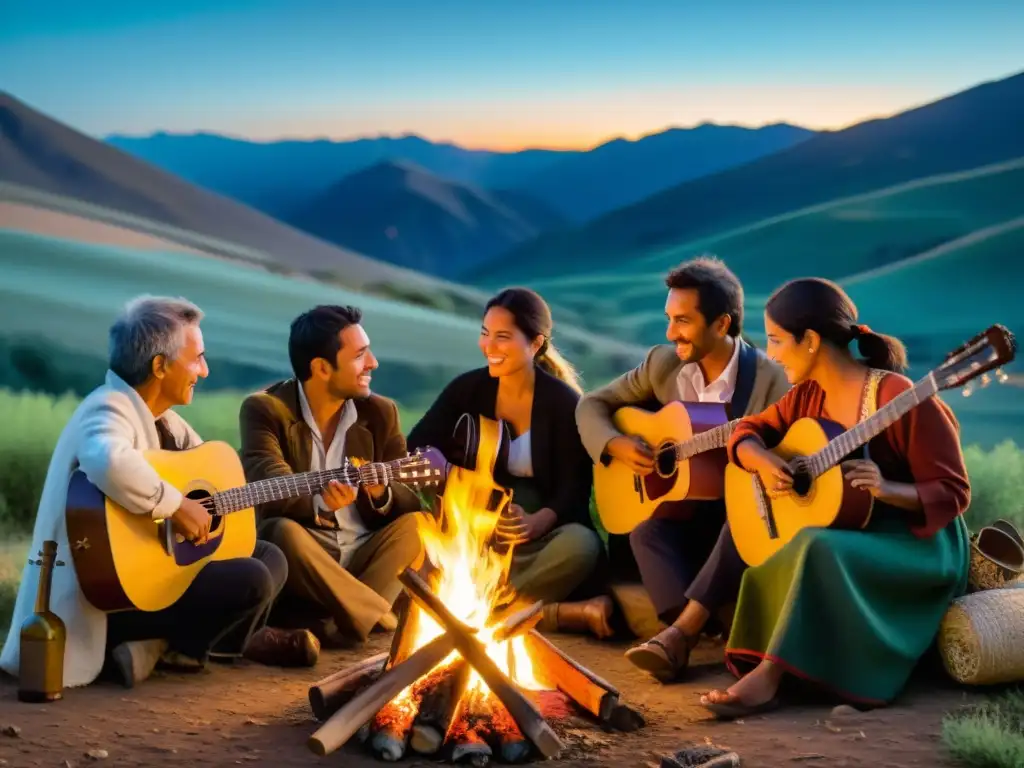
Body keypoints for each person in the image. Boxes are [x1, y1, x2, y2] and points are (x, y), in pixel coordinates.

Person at [0, 296, 317, 691]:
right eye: (197, 358)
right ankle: (173, 647)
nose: (205, 370)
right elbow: (108, 460)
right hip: (106, 596)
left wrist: (284, 489)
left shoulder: (163, 421)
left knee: (269, 556)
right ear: (160, 366)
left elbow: (214, 476)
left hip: (145, 583)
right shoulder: (108, 408)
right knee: (250, 577)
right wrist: (176, 505)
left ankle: (165, 647)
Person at [701, 277, 970, 718]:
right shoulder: (807, 395)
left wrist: (887, 489)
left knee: (815, 545)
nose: (771, 353)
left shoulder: (897, 398)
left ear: (809, 341)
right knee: (775, 559)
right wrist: (760, 460)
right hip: (856, 528)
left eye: (776, 340)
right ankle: (791, 667)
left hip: (920, 542)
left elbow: (954, 492)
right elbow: (749, 431)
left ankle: (770, 678)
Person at [575, 256, 789, 679]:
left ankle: (679, 638)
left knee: (737, 524)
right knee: (645, 531)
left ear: (722, 325)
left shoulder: (772, 382)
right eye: (669, 319)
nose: (671, 333)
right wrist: (615, 444)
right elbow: (590, 404)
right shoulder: (663, 365)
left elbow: (786, 458)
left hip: (743, 513)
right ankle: (690, 627)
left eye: (683, 321)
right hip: (686, 513)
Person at [406, 287, 609, 638]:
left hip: (535, 546)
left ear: (536, 343)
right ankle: (550, 614)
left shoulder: (563, 403)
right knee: (409, 535)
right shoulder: (466, 390)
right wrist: (443, 470)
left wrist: (537, 522)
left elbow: (575, 486)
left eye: (503, 337)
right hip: (471, 535)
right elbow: (417, 443)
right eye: (485, 334)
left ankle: (469, 609)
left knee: (582, 546)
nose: (489, 346)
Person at [239, 305, 428, 647]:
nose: (373, 363)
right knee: (279, 532)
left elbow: (410, 493)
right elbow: (266, 480)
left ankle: (336, 624)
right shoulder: (266, 410)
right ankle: (376, 618)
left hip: (364, 555)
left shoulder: (381, 413)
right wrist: (319, 504)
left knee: (417, 527)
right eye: (360, 355)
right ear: (322, 368)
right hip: (309, 560)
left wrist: (381, 494)